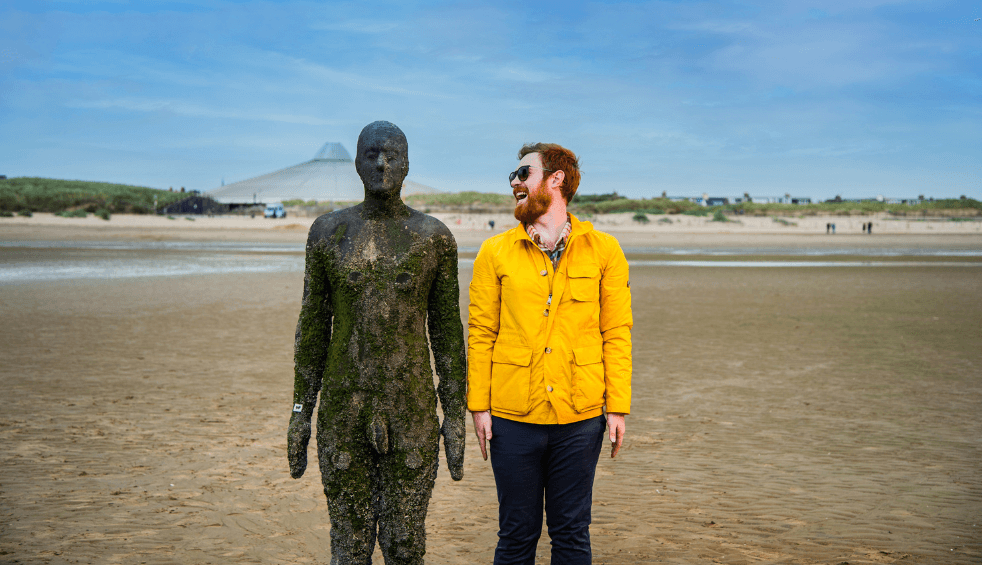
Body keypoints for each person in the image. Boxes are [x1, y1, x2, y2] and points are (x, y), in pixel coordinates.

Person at [287, 121, 466, 565]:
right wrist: (299, 414)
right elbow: (312, 329)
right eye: (371, 155)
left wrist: (455, 416)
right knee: (349, 546)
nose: (382, 164)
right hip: (344, 409)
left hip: (412, 410)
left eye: (392, 156)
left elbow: (446, 334)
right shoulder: (328, 233)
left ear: (407, 164)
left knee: (405, 544)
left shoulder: (433, 238)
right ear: (357, 162)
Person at [467, 143, 633, 564]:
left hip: (580, 418)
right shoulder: (494, 252)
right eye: (512, 177)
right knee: (517, 534)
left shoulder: (605, 251)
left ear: (555, 179)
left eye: (524, 173)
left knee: (572, 532)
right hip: (511, 417)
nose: (514, 183)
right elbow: (481, 333)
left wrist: (617, 407)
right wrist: (478, 407)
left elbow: (616, 333)